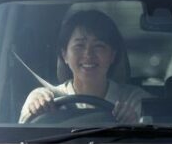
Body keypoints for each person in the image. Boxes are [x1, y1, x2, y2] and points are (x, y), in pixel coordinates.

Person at [19, 10, 150, 123]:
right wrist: (36, 110)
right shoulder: (47, 98)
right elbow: (22, 137)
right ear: (64, 55)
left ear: (112, 56)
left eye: (98, 46)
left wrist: (135, 125)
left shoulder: (135, 100)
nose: (88, 54)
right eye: (79, 46)